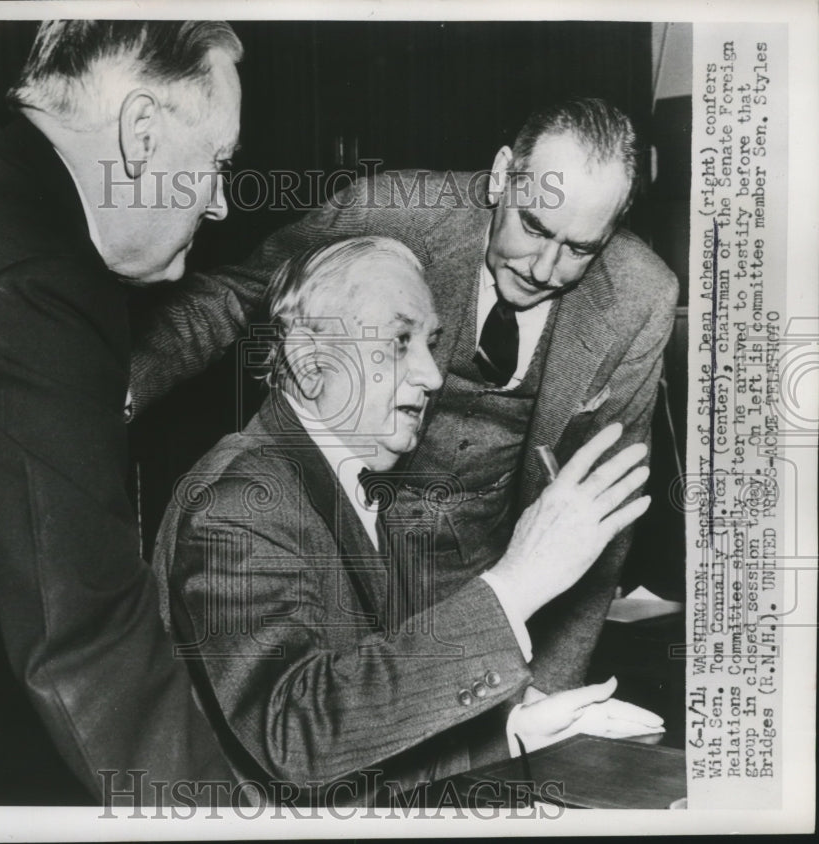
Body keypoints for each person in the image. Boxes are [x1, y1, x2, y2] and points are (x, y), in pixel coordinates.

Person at [134, 97, 679, 707]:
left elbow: (600, 512)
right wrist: (115, 391)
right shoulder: (393, 211)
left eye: (580, 249)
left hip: (494, 576)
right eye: (533, 226)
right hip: (345, 556)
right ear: (501, 175)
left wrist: (546, 692)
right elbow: (240, 294)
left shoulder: (640, 296)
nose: (546, 267)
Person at [0, 20, 259, 805]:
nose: (223, 204)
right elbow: (87, 641)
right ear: (141, 133)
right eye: (217, 164)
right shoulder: (30, 274)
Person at [155, 236, 660, 802]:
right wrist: (516, 585)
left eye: (432, 342)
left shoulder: (342, 484)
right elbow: (296, 737)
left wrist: (514, 732)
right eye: (399, 341)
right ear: (309, 359)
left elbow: (361, 735)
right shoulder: (241, 501)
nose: (432, 374)